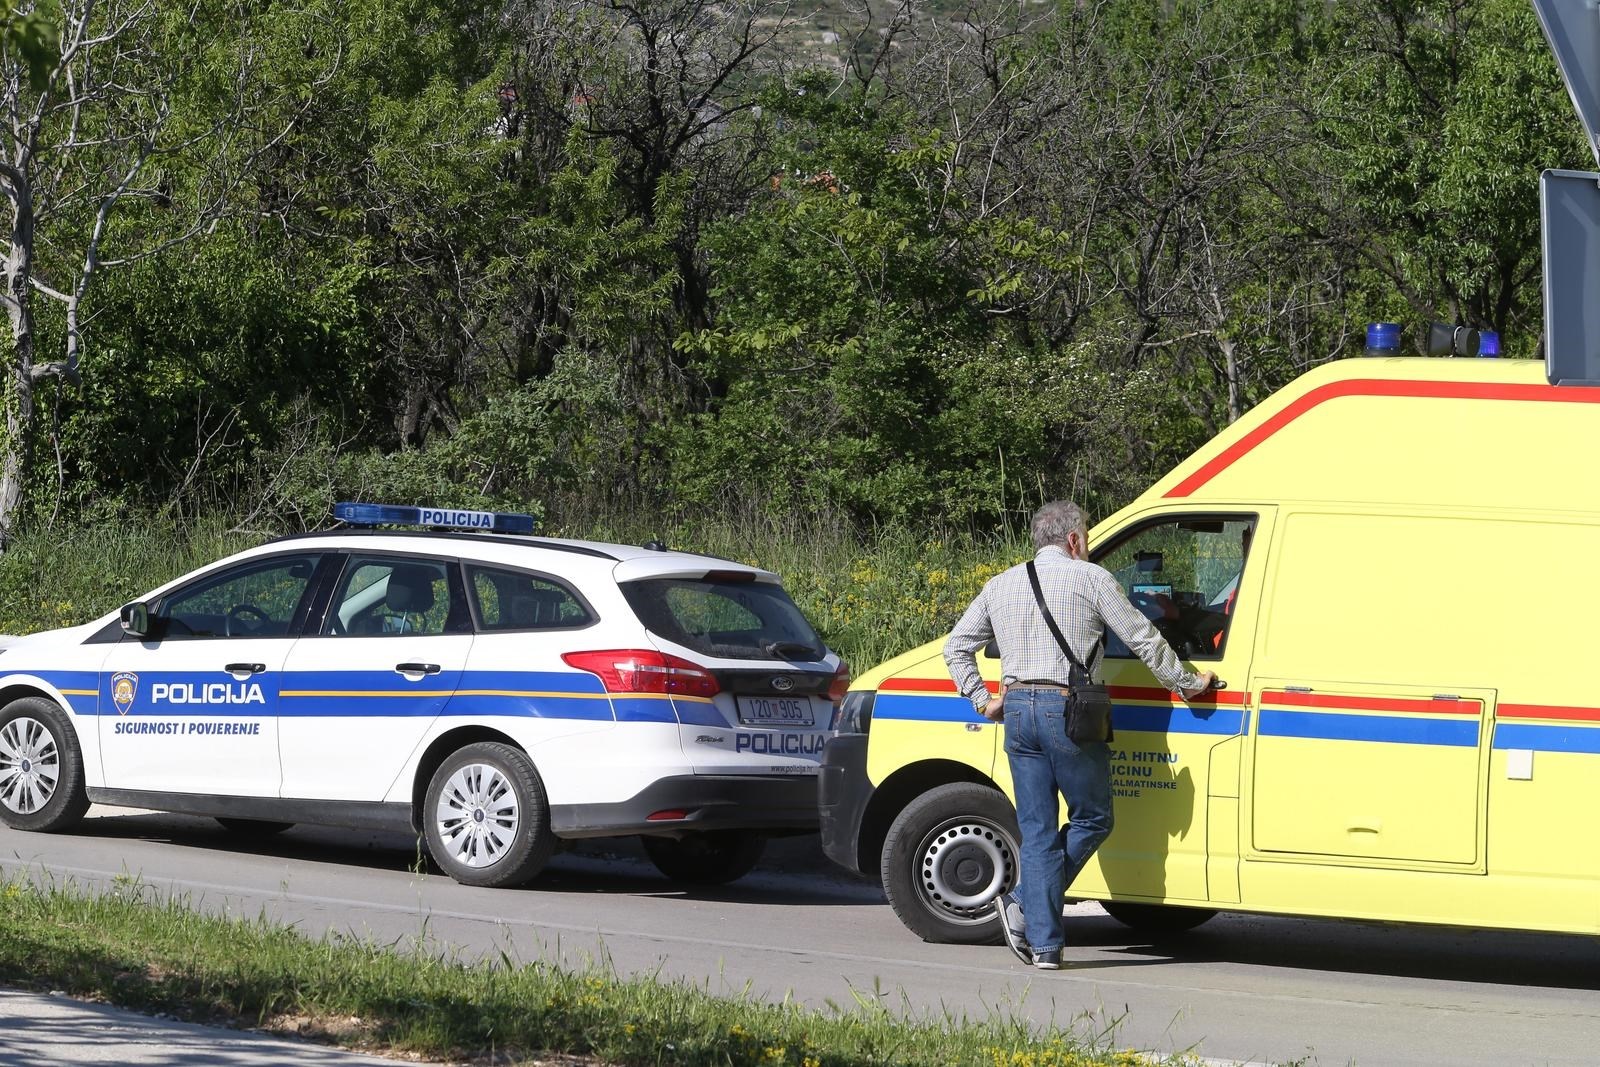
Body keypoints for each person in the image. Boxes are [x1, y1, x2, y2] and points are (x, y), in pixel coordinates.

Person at [943, 500, 1216, 970]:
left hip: (1017, 710)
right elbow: (1143, 638)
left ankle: (1047, 948)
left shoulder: (1001, 584)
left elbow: (957, 646)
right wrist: (1189, 684)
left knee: (1037, 831)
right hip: (1068, 710)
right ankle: (1023, 901)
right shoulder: (1090, 579)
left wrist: (982, 700)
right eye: (1086, 537)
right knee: (1092, 818)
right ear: (1073, 540)